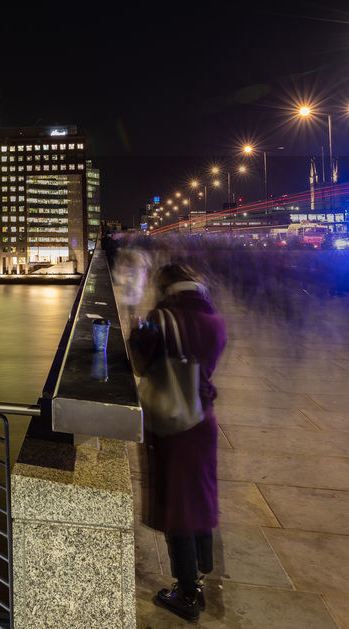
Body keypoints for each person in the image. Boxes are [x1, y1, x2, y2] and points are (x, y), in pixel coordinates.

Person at [127, 262, 227, 623]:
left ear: (167, 287)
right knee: (199, 495)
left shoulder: (163, 317)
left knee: (176, 503)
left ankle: (185, 593)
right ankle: (200, 574)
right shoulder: (215, 320)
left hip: (172, 420)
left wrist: (137, 333)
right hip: (203, 414)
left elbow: (141, 362)